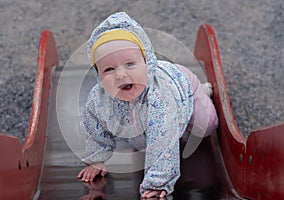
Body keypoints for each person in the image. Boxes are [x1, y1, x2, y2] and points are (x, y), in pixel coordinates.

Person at [77, 12, 218, 198]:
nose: (120, 75)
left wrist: (158, 183)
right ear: (98, 75)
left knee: (205, 127)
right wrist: (96, 160)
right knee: (142, 140)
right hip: (145, 123)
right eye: (109, 69)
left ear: (146, 63)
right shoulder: (99, 100)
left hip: (181, 84)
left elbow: (163, 140)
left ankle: (201, 90)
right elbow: (94, 128)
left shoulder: (159, 99)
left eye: (130, 64)